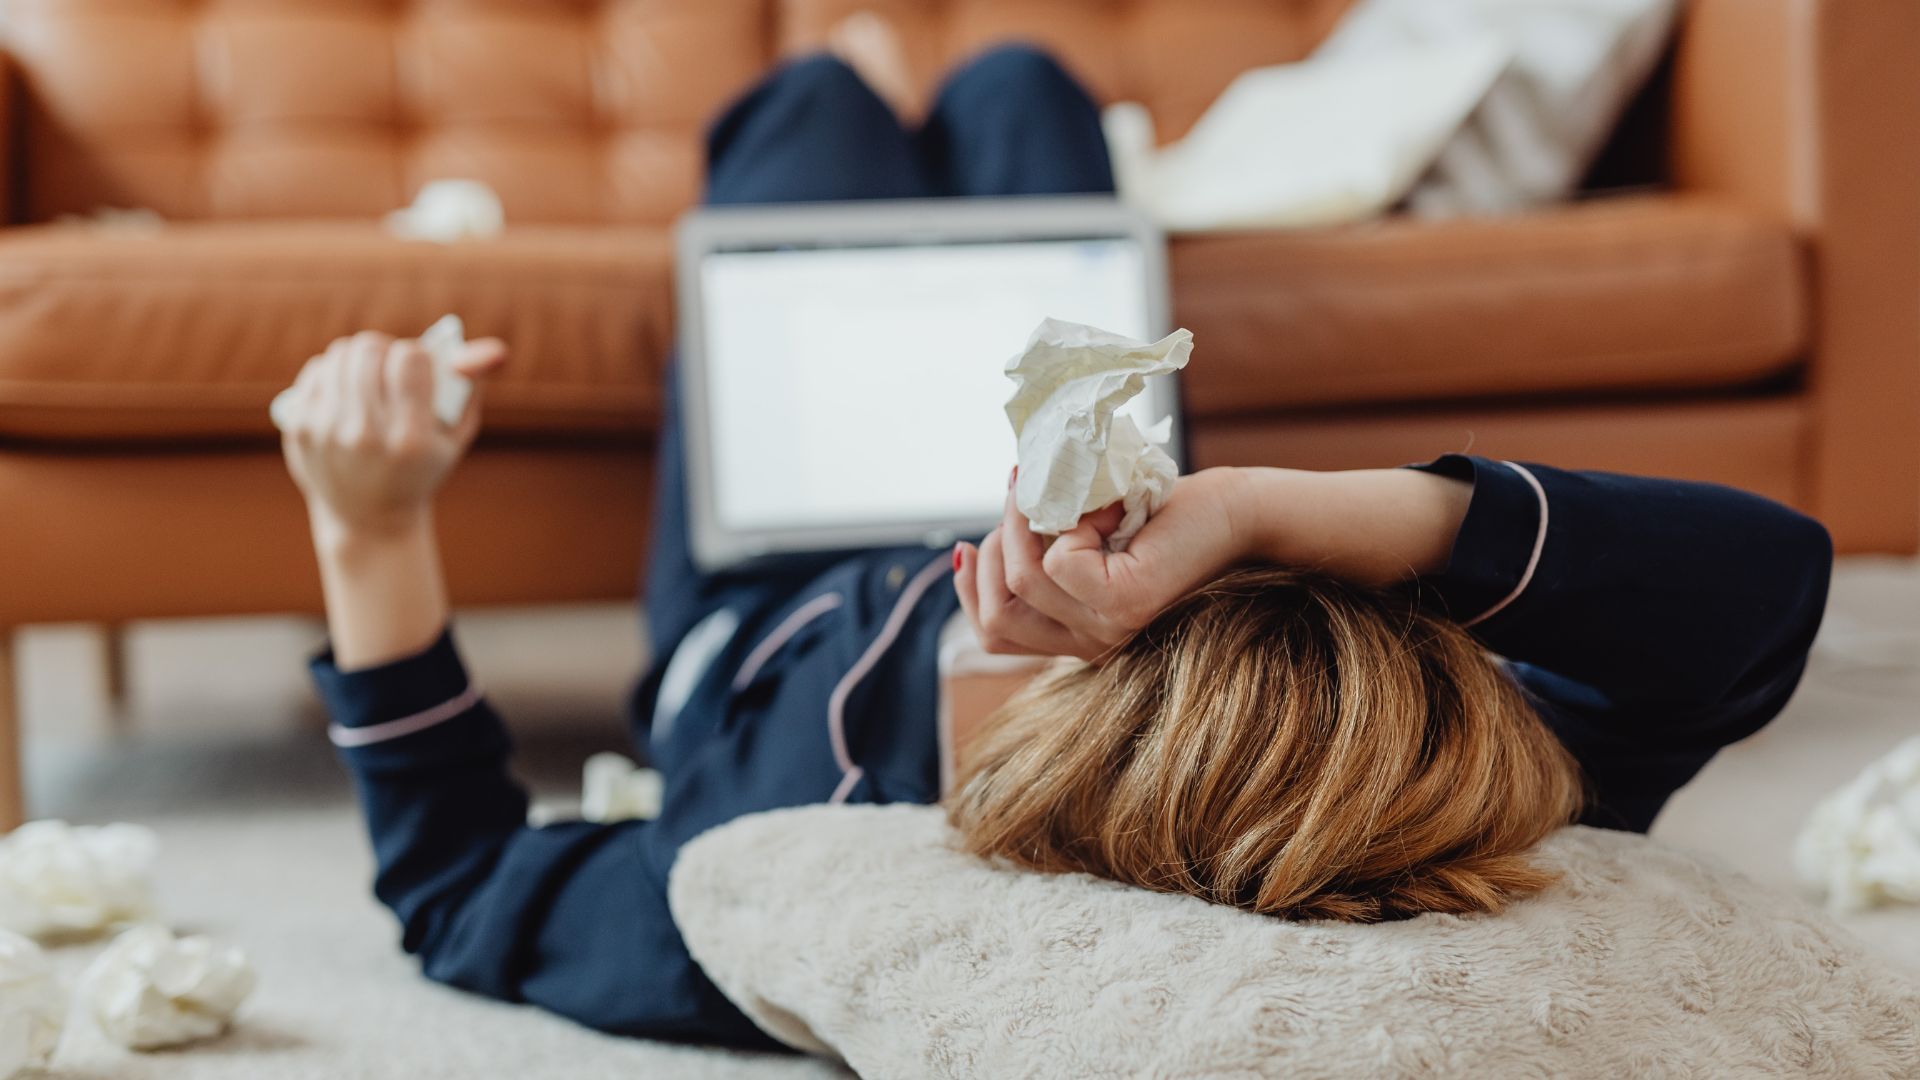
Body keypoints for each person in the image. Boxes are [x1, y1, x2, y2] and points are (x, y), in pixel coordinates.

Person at [274, 46, 1834, 1051]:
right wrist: (1249, 510)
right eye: (1192, 601)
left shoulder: (800, 877)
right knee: (1026, 83)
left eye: (1029, 671)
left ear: (1013, 801)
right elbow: (1764, 584)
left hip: (770, 585)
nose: (1025, 601)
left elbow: (465, 888)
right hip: (1073, 443)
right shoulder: (1428, 780)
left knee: (807, 98)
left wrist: (371, 522)